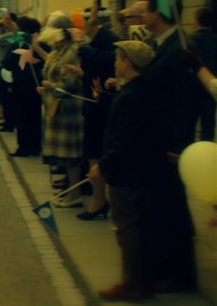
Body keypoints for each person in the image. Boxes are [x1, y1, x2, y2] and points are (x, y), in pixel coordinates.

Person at [88, 40, 160, 301]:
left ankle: (131, 284)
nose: (115, 62)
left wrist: (102, 166)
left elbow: (125, 139)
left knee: (127, 229)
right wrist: (105, 97)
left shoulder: (132, 94)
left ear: (128, 62)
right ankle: (145, 281)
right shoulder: (137, 89)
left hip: (128, 174)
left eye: (118, 58)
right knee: (140, 227)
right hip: (140, 170)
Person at [140, 0, 201, 292]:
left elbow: (184, 102)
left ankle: (179, 274)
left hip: (170, 145)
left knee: (172, 208)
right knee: (163, 207)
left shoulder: (178, 49)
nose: (143, 15)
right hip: (159, 141)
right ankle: (167, 268)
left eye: (147, 10)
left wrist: (178, 146)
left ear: (159, 14)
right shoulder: (163, 44)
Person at [36, 17, 86, 208]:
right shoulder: (57, 52)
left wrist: (51, 86)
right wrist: (46, 88)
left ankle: (75, 193)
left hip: (68, 111)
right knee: (63, 156)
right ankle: (69, 191)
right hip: (55, 109)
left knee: (71, 155)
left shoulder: (72, 52)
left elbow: (71, 84)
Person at [76, 4, 120, 219]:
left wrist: (83, 48)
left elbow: (107, 60)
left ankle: (99, 200)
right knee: (93, 152)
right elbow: (92, 70)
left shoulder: (107, 39)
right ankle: (98, 198)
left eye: (85, 19)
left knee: (97, 153)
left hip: (102, 106)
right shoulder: (96, 41)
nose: (81, 24)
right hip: (93, 102)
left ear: (94, 22)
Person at [4, 17, 45, 157]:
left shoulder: (16, 42)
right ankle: (36, 146)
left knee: (22, 116)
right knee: (35, 115)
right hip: (38, 84)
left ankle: (24, 146)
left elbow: (7, 63)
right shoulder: (43, 44)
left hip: (20, 84)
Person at [189, 8, 216, 140]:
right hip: (211, 88)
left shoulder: (189, 41)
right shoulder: (215, 39)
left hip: (192, 88)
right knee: (208, 125)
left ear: (197, 21)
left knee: (189, 124)